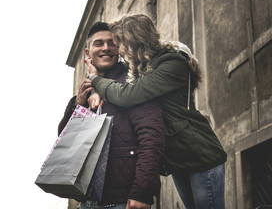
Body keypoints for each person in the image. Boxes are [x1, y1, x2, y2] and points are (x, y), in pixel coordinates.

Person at [84, 14, 227, 209]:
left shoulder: (172, 63)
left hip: (199, 154)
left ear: (133, 41)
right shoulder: (143, 67)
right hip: (178, 158)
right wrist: (94, 88)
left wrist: (95, 79)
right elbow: (119, 83)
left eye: (119, 44)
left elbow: (127, 95)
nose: (117, 50)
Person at [58, 21, 165, 209]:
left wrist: (142, 192)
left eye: (112, 43)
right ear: (88, 53)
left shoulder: (134, 84)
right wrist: (79, 105)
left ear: (120, 49)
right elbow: (65, 142)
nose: (106, 48)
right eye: (99, 43)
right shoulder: (83, 94)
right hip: (87, 201)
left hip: (123, 201)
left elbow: (151, 138)